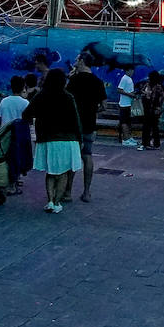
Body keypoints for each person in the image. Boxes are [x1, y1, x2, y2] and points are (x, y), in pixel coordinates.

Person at [29, 69, 82, 213]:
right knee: (63, 173)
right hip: (67, 140)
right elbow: (76, 121)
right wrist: (80, 139)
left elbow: (27, 113)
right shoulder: (68, 97)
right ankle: (58, 203)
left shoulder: (41, 96)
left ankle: (50, 201)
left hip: (47, 139)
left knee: (51, 172)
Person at [67, 60, 104, 201]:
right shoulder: (98, 81)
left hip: (73, 125)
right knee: (87, 155)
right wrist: (93, 110)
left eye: (77, 60)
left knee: (72, 158)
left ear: (82, 61)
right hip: (90, 124)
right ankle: (86, 192)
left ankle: (67, 192)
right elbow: (104, 105)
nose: (75, 62)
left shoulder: (73, 80)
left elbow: (66, 99)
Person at [140, 71, 164, 151]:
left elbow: (143, 94)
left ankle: (146, 143)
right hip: (154, 109)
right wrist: (160, 107)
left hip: (149, 108)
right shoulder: (160, 86)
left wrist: (146, 95)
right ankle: (155, 144)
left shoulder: (148, 85)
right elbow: (162, 98)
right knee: (154, 127)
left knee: (147, 126)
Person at [116, 69, 137, 147]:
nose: (133, 72)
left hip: (128, 104)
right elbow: (119, 90)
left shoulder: (129, 79)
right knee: (124, 122)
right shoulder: (124, 78)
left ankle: (128, 137)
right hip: (124, 104)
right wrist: (129, 94)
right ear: (128, 70)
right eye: (132, 70)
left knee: (128, 122)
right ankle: (125, 139)